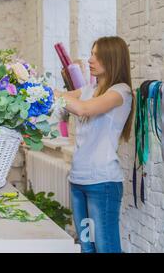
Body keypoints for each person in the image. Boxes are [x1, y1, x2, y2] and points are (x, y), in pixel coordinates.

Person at [54, 36, 134, 253]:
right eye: (91, 53)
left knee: (104, 247)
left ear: (112, 59)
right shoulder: (88, 89)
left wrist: (54, 94)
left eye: (96, 55)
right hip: (78, 180)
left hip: (103, 183)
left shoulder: (120, 92)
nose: (90, 59)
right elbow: (60, 103)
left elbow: (83, 109)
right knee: (86, 247)